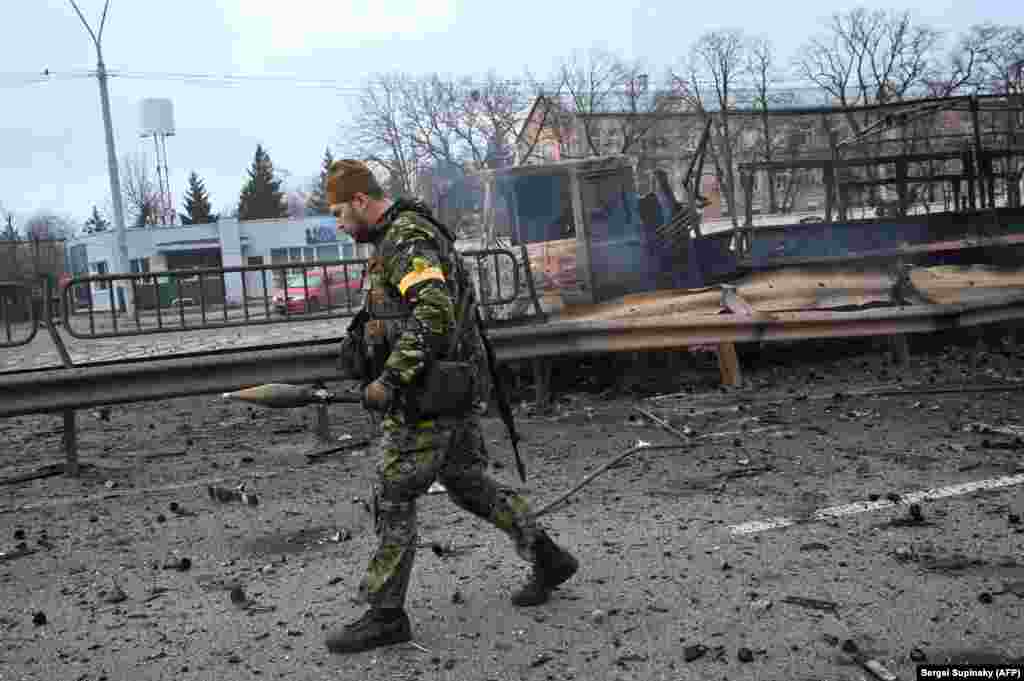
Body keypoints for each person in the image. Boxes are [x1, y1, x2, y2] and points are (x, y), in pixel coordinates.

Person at [323, 160, 579, 654]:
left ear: (360, 201)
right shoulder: (397, 236)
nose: (337, 224)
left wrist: (391, 378)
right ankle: (547, 556)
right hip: (449, 386)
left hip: (426, 394)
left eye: (338, 212)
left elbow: (435, 311)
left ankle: (385, 613)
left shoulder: (405, 238)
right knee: (467, 483)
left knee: (394, 494)